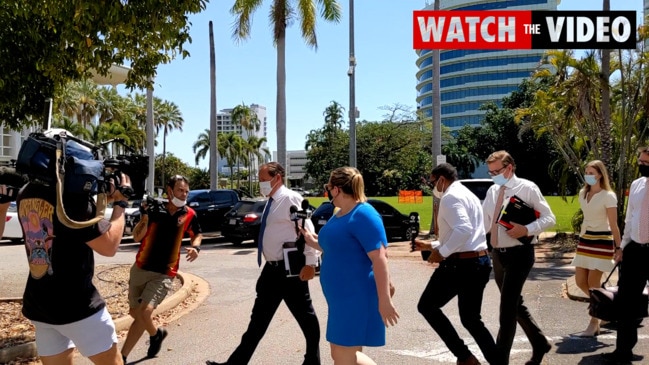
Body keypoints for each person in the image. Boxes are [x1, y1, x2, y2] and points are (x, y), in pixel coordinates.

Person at [16, 158, 131, 363]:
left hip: (40, 304)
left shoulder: (25, 191)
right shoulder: (71, 199)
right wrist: (121, 204)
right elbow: (109, 246)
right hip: (77, 306)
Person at [206, 162, 321, 365]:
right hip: (272, 271)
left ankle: (312, 360)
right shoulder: (271, 201)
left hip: (290, 270)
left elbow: (307, 230)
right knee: (257, 321)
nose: (261, 184)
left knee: (306, 318)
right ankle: (235, 363)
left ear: (277, 178)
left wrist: (310, 263)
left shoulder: (290, 198)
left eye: (263, 180)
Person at [299, 166, 399, 365]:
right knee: (340, 354)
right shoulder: (340, 213)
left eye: (328, 187)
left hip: (357, 296)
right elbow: (335, 246)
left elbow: (380, 258)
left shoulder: (364, 214)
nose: (327, 191)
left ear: (336, 189)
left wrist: (384, 300)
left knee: (344, 356)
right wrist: (312, 240)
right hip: (340, 299)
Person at [413, 163, 497, 365]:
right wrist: (432, 245)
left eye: (433, 183)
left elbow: (464, 229)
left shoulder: (450, 197)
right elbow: (469, 232)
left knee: (427, 306)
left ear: (442, 179)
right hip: (479, 260)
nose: (432, 188)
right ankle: (496, 361)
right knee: (471, 319)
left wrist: (441, 252)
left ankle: (465, 356)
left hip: (460, 265)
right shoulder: (469, 195)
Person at [482, 150, 556, 365]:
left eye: (497, 171)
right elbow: (486, 224)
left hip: (520, 254)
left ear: (509, 167)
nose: (494, 175)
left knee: (506, 311)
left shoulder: (527, 187)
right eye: (490, 172)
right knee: (514, 305)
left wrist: (527, 229)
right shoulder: (492, 191)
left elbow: (549, 218)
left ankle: (499, 361)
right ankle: (540, 343)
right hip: (498, 254)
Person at [120, 175, 203, 364]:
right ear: (169, 190)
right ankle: (156, 334)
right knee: (136, 314)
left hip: (165, 272)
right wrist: (145, 216)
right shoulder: (155, 210)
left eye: (186, 191)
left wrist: (196, 247)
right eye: (180, 190)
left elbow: (197, 234)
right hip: (140, 267)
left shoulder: (189, 214)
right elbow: (136, 237)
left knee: (145, 312)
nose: (184, 194)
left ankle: (122, 357)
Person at [601, 147, 649, 363]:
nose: (641, 166)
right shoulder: (638, 185)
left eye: (646, 163)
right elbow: (630, 217)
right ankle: (623, 351)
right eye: (640, 161)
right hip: (635, 250)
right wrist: (622, 248)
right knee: (627, 303)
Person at [571, 160, 621, 337]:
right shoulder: (583, 193)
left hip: (601, 241)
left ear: (600, 175)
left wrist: (619, 247)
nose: (588, 175)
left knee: (593, 284)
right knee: (580, 281)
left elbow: (613, 224)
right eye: (587, 172)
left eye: (592, 173)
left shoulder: (608, 196)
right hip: (585, 240)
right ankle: (605, 307)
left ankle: (594, 323)